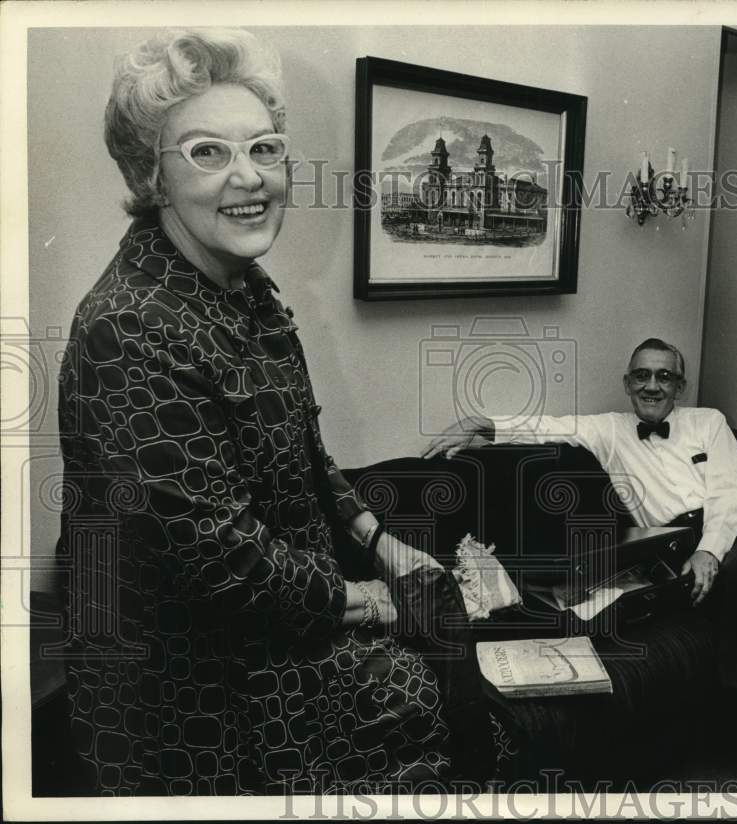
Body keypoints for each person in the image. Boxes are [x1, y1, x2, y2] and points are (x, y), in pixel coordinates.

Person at [57, 28, 510, 796]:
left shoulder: (250, 291)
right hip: (191, 703)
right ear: (151, 174)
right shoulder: (129, 326)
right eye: (208, 152)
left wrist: (380, 542)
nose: (249, 177)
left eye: (264, 149)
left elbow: (305, 453)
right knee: (426, 699)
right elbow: (220, 559)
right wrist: (368, 602)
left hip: (276, 647)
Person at [424, 337, 737, 792]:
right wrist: (483, 425)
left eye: (665, 376)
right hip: (678, 542)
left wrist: (710, 552)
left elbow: (733, 491)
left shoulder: (708, 421)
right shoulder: (608, 430)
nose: (653, 386)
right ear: (628, 383)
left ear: (681, 385)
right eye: (643, 376)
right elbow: (546, 425)